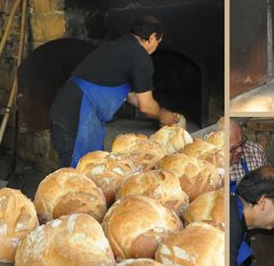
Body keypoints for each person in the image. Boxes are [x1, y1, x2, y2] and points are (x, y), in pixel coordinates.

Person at [49, 14, 179, 168]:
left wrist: (158, 111)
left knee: (88, 171)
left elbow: (129, 96)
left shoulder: (117, 47)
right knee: (80, 177)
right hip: (78, 120)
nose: (156, 47)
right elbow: (146, 105)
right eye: (158, 42)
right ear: (152, 37)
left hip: (67, 112)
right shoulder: (140, 56)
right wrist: (163, 115)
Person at [230, 119, 268, 192]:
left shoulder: (256, 152)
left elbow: (264, 189)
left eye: (241, 142)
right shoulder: (209, 166)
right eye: (233, 148)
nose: (240, 150)